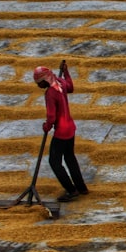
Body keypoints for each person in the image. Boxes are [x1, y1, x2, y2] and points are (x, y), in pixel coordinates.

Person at [34, 60, 88, 202]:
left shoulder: (50, 93)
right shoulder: (60, 82)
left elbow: (51, 116)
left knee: (54, 162)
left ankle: (71, 190)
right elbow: (70, 87)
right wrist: (66, 72)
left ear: (44, 80)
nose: (38, 86)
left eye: (39, 83)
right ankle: (82, 187)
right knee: (70, 157)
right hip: (70, 127)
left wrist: (47, 126)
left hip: (61, 132)